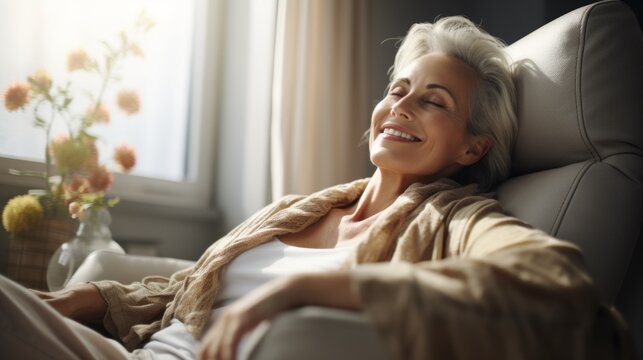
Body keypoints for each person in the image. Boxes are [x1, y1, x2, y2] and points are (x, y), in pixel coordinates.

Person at [0, 16, 613, 360]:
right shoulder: (303, 208)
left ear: (471, 147)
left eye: (434, 101)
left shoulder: (454, 219)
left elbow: (557, 284)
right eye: (398, 90)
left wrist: (315, 288)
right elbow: (194, 285)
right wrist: (90, 298)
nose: (401, 107)